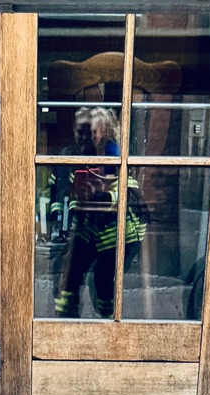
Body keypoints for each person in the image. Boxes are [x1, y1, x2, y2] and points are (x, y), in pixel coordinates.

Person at [53, 107, 147, 318]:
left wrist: (99, 196)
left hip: (118, 228)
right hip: (92, 224)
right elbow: (70, 187)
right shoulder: (85, 154)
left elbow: (124, 189)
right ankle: (65, 317)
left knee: (102, 277)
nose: (88, 136)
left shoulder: (113, 154)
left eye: (93, 131)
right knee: (71, 269)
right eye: (85, 131)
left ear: (105, 131)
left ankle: (108, 321)